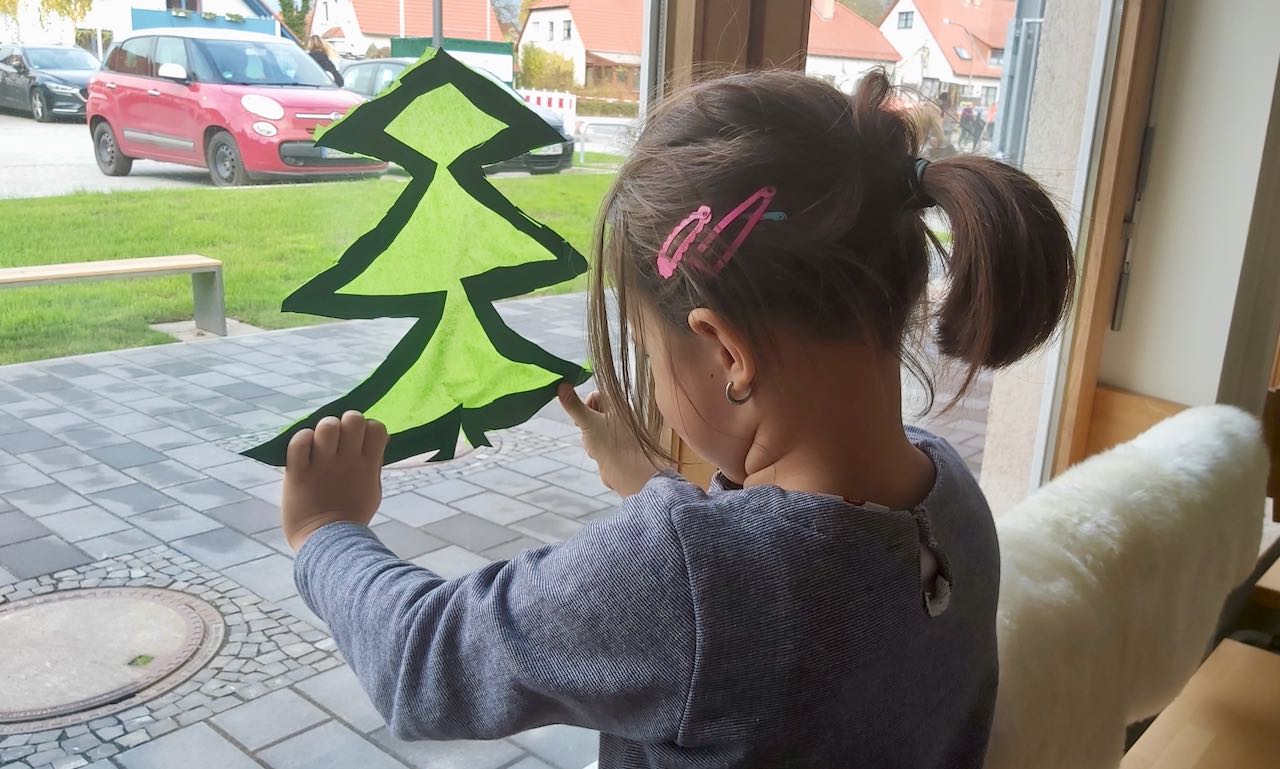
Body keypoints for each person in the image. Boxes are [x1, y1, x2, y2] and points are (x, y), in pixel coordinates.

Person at [278, 69, 1075, 768]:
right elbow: (787, 587)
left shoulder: (685, 572)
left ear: (725, 351)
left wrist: (324, 530)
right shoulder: (953, 499)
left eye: (648, 355)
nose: (650, 384)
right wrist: (654, 482)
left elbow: (425, 663)